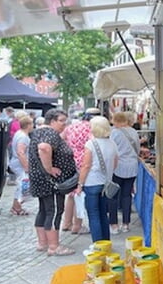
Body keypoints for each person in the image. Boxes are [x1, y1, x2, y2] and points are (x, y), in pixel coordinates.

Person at [28, 109, 76, 256]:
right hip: (51, 182)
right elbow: (44, 148)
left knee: (44, 210)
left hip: (40, 180)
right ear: (52, 121)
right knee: (54, 211)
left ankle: (43, 243)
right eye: (61, 120)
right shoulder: (50, 133)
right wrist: (49, 168)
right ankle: (54, 246)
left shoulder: (39, 131)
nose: (64, 124)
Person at [74, 116, 118, 242]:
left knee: (93, 215)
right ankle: (106, 242)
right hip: (106, 183)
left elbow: (86, 166)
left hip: (92, 182)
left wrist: (80, 184)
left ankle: (98, 244)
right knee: (104, 214)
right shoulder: (112, 143)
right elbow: (115, 164)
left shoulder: (91, 144)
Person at [60, 108, 101, 234]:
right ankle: (77, 225)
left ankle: (66, 223)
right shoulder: (92, 129)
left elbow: (60, 139)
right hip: (84, 162)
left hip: (70, 161)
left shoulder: (71, 126)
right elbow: (95, 145)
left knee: (71, 194)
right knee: (79, 192)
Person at [108, 111, 140, 234]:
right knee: (127, 195)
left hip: (117, 166)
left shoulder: (114, 133)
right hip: (132, 166)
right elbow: (137, 148)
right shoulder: (133, 132)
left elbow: (111, 151)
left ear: (115, 121)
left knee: (113, 196)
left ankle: (114, 225)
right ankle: (126, 224)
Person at [9, 116, 33, 215]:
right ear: (28, 125)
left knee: (21, 185)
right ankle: (17, 207)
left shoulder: (19, 134)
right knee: (22, 185)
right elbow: (20, 152)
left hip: (16, 163)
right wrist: (26, 167)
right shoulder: (23, 137)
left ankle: (16, 206)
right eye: (32, 124)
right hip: (20, 164)